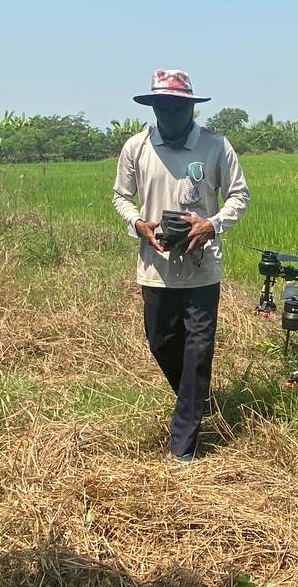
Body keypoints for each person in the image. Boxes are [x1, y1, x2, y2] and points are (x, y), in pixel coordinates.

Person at [111, 69, 250, 462]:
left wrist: (211, 224)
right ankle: (195, 400)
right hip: (155, 269)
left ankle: (182, 446)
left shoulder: (215, 147)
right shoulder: (136, 148)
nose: (170, 113)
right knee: (162, 344)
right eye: (163, 106)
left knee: (199, 349)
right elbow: (121, 196)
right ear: (153, 107)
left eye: (178, 106)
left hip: (202, 270)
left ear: (191, 108)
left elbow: (239, 196)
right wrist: (138, 224)